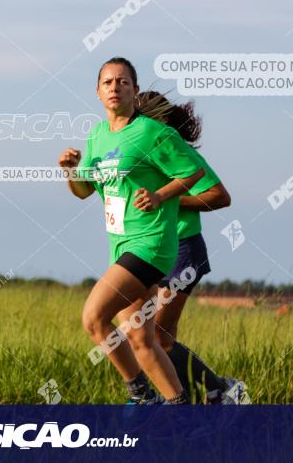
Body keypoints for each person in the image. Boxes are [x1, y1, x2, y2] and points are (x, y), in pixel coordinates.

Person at [59, 57, 204, 405]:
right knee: (141, 339)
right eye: (108, 82)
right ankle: (182, 413)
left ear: (135, 92)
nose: (115, 87)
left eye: (123, 82)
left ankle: (140, 394)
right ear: (97, 92)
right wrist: (72, 171)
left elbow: (193, 171)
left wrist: (159, 195)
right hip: (121, 244)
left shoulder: (154, 133)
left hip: (151, 244)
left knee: (94, 318)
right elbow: (83, 193)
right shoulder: (96, 136)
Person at [137, 90, 247, 403]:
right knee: (147, 335)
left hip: (183, 250)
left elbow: (220, 196)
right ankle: (186, 396)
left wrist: (167, 200)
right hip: (152, 251)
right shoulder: (141, 155)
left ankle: (220, 392)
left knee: (159, 336)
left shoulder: (180, 153)